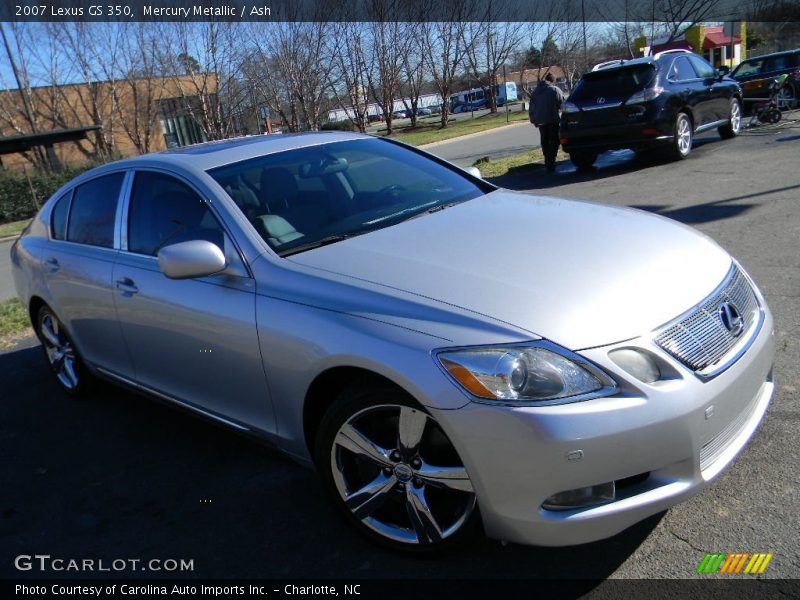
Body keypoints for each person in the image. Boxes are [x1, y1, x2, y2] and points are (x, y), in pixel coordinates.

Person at [528, 73, 564, 173]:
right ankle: (551, 160)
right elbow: (562, 104)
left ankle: (547, 158)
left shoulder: (535, 92)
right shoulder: (555, 90)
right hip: (553, 119)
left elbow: (531, 107)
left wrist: (533, 119)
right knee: (554, 140)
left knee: (544, 140)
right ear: (553, 81)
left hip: (540, 120)